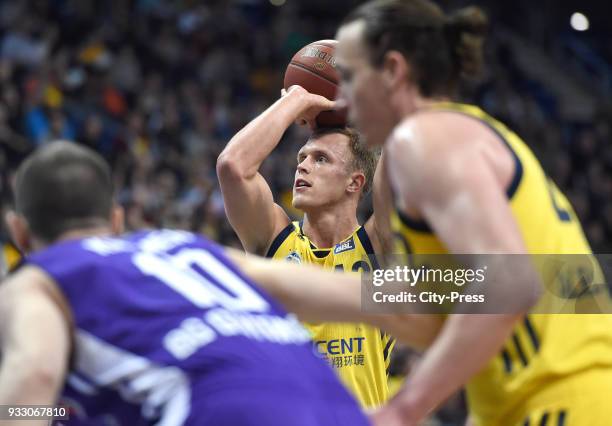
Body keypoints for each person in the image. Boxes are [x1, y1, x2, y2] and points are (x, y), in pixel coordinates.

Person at [332, 0, 612, 425]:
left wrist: (401, 409)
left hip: (559, 399)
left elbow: (510, 282)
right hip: (537, 399)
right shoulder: (457, 134)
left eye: (349, 78)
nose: (340, 98)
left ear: (393, 69)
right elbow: (428, 298)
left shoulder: (425, 139)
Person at [0, 141, 382, 426]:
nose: (304, 166)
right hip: (333, 408)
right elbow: (399, 298)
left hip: (220, 411)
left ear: (18, 230)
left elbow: (36, 377)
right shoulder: (188, 249)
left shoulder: (40, 279)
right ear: (116, 221)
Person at [217, 85, 394, 407]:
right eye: (302, 158)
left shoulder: (379, 242)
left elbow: (402, 152)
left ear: (355, 182)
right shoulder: (273, 239)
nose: (303, 165)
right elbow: (233, 166)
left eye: (321, 159)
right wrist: (295, 101)